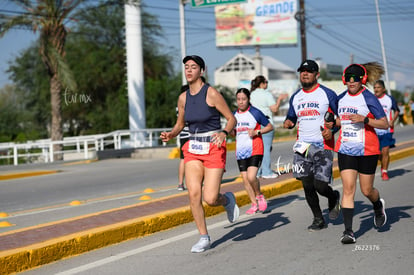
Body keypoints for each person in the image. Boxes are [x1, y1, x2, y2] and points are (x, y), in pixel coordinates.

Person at [160, 55, 239, 253]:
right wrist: (171, 134)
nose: (188, 70)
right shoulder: (183, 97)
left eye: (193, 67)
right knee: (194, 194)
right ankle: (204, 237)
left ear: (201, 71)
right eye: (186, 67)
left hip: (213, 147)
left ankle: (227, 200)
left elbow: (231, 119)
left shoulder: (211, 93)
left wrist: (223, 132)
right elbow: (180, 124)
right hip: (193, 147)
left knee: (210, 199)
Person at [283, 59, 341, 231]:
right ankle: (318, 219)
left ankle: (332, 196)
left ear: (317, 75)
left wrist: (333, 130)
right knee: (307, 184)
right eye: (302, 71)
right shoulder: (296, 96)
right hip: (302, 146)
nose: (305, 74)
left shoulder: (327, 94)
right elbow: (292, 117)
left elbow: (341, 118)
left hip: (323, 145)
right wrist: (288, 122)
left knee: (320, 185)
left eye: (309, 71)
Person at [334, 63, 388, 244]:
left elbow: (384, 123)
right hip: (346, 149)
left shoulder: (369, 98)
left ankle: (377, 205)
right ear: (344, 80)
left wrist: (365, 120)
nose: (351, 83)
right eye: (348, 80)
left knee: (366, 190)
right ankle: (348, 231)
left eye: (355, 80)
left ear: (362, 80)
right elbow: (339, 121)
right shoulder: (340, 99)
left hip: (367, 150)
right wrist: (330, 126)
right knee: (348, 189)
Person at [232, 88, 273, 214]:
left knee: (251, 177)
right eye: (238, 99)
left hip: (255, 148)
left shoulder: (255, 112)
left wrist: (257, 132)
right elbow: (234, 134)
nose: (241, 102)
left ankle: (259, 195)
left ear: (248, 99)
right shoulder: (234, 115)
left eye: (243, 99)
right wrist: (230, 132)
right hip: (241, 151)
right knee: (245, 179)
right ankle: (254, 204)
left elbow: (269, 126)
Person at [250, 75, 287, 179]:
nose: (267, 84)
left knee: (257, 149)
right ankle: (266, 171)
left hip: (254, 124)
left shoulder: (251, 94)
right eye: (266, 82)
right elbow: (274, 109)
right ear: (262, 84)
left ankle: (257, 172)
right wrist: (279, 99)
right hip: (266, 123)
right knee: (266, 148)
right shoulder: (266, 94)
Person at [373, 80, 400, 181]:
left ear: (383, 89)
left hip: (386, 130)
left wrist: (392, 120)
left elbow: (397, 110)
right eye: (375, 88)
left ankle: (384, 171)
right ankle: (384, 163)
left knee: (385, 152)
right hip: (374, 130)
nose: (376, 89)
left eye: (378, 87)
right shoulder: (371, 99)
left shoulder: (389, 99)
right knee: (377, 153)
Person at [177, 85, 190, 191]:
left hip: (182, 135)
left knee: (183, 159)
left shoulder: (178, 106)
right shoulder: (189, 105)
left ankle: (180, 183)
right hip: (191, 135)